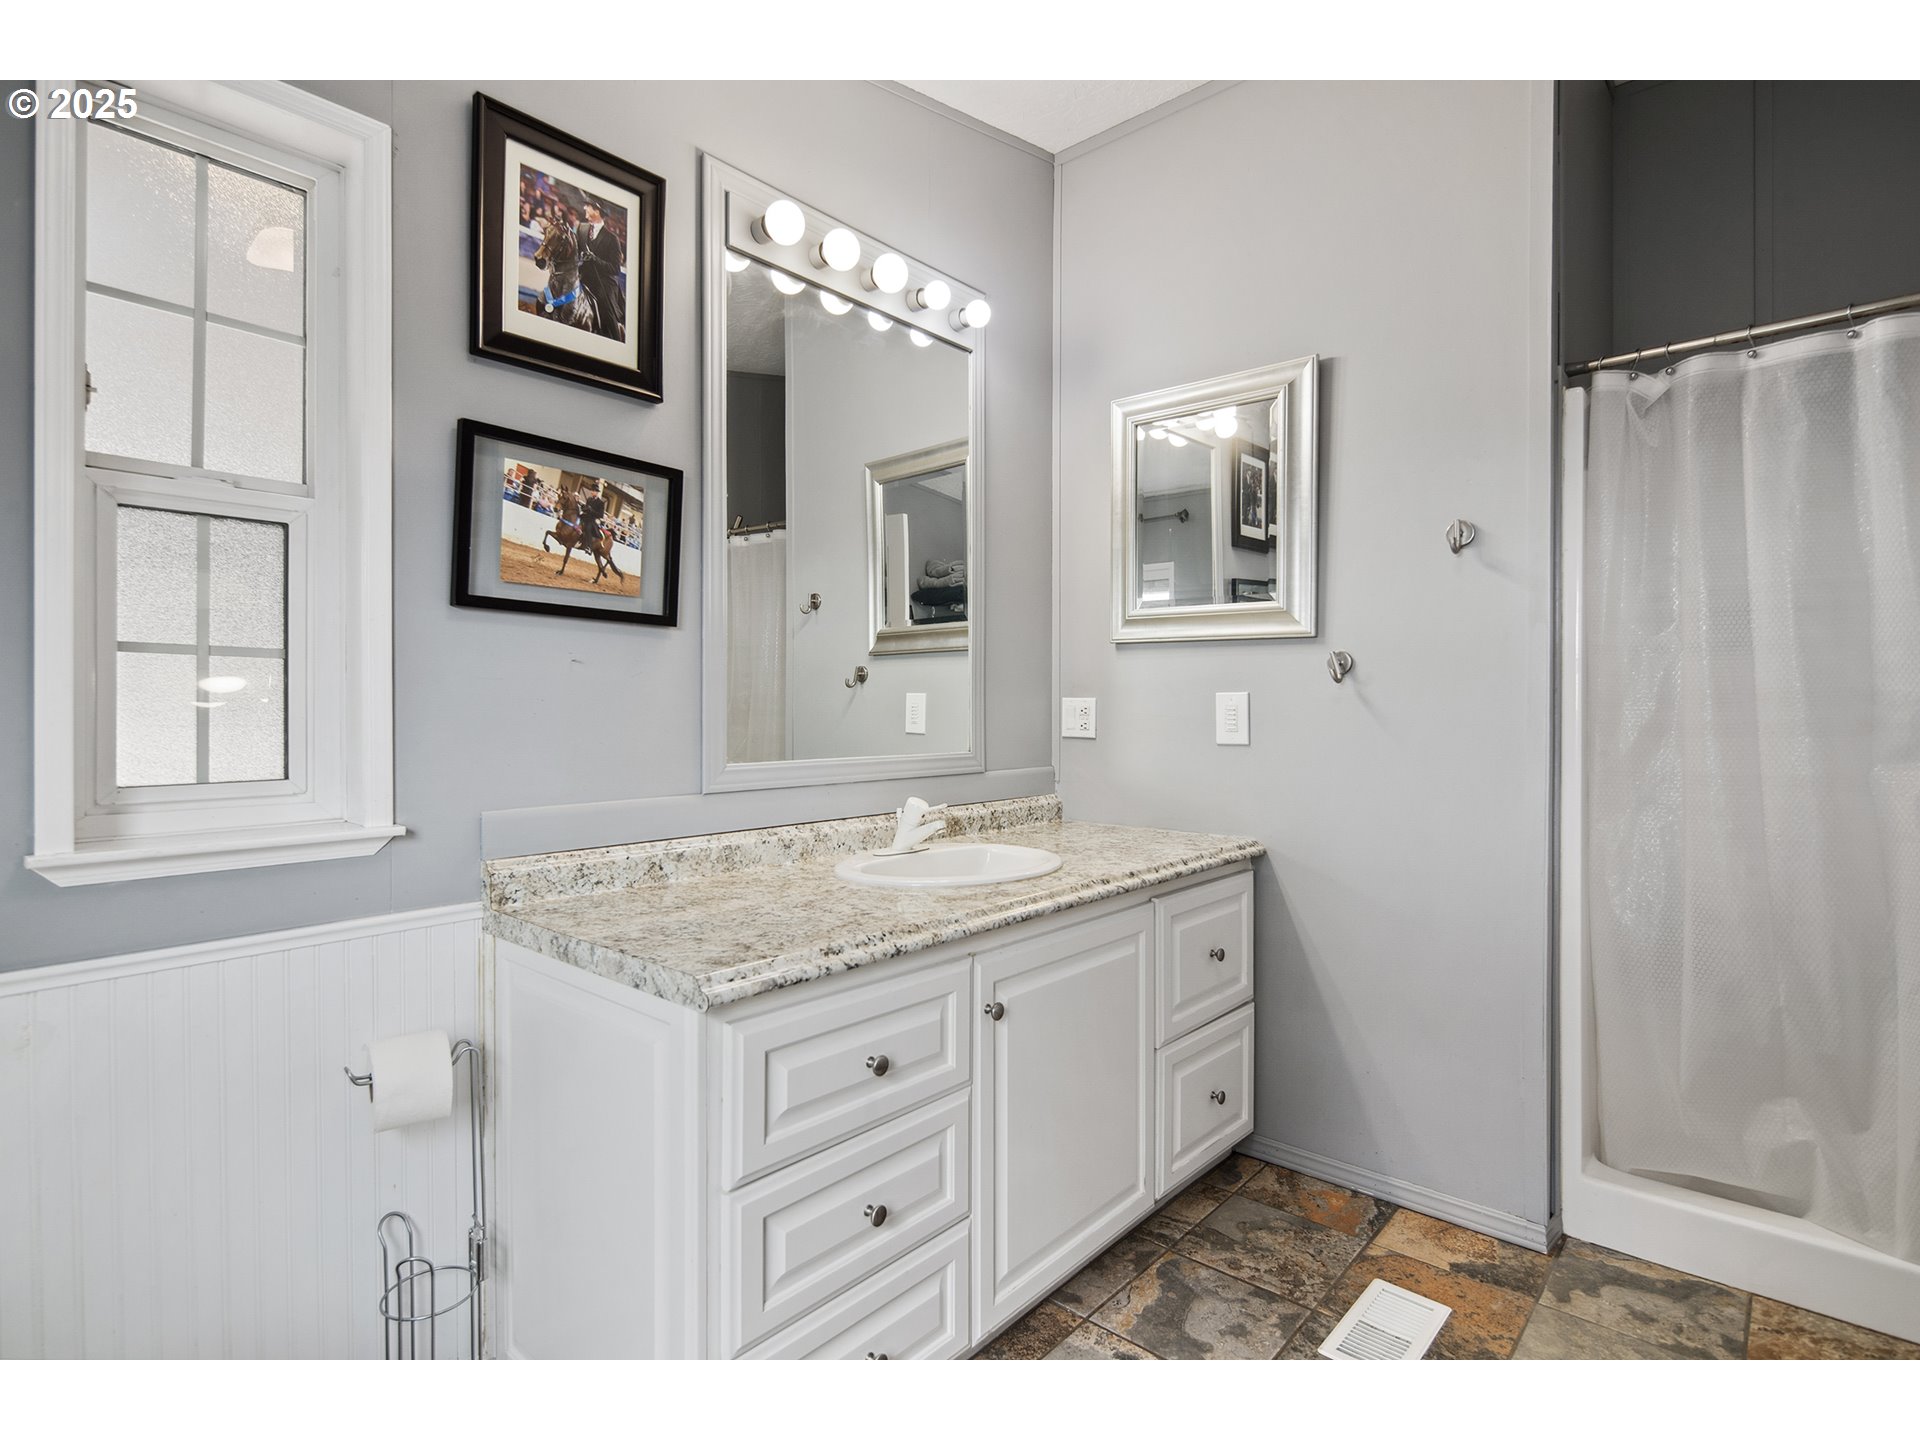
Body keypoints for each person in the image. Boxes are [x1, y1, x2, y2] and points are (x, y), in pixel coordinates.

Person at [576, 200, 626, 341]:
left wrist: (595, 259)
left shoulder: (612, 239)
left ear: (597, 211)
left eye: (588, 206)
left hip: (603, 284)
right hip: (582, 277)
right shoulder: (581, 228)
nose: (585, 207)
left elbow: (614, 269)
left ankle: (615, 340)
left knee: (607, 311)